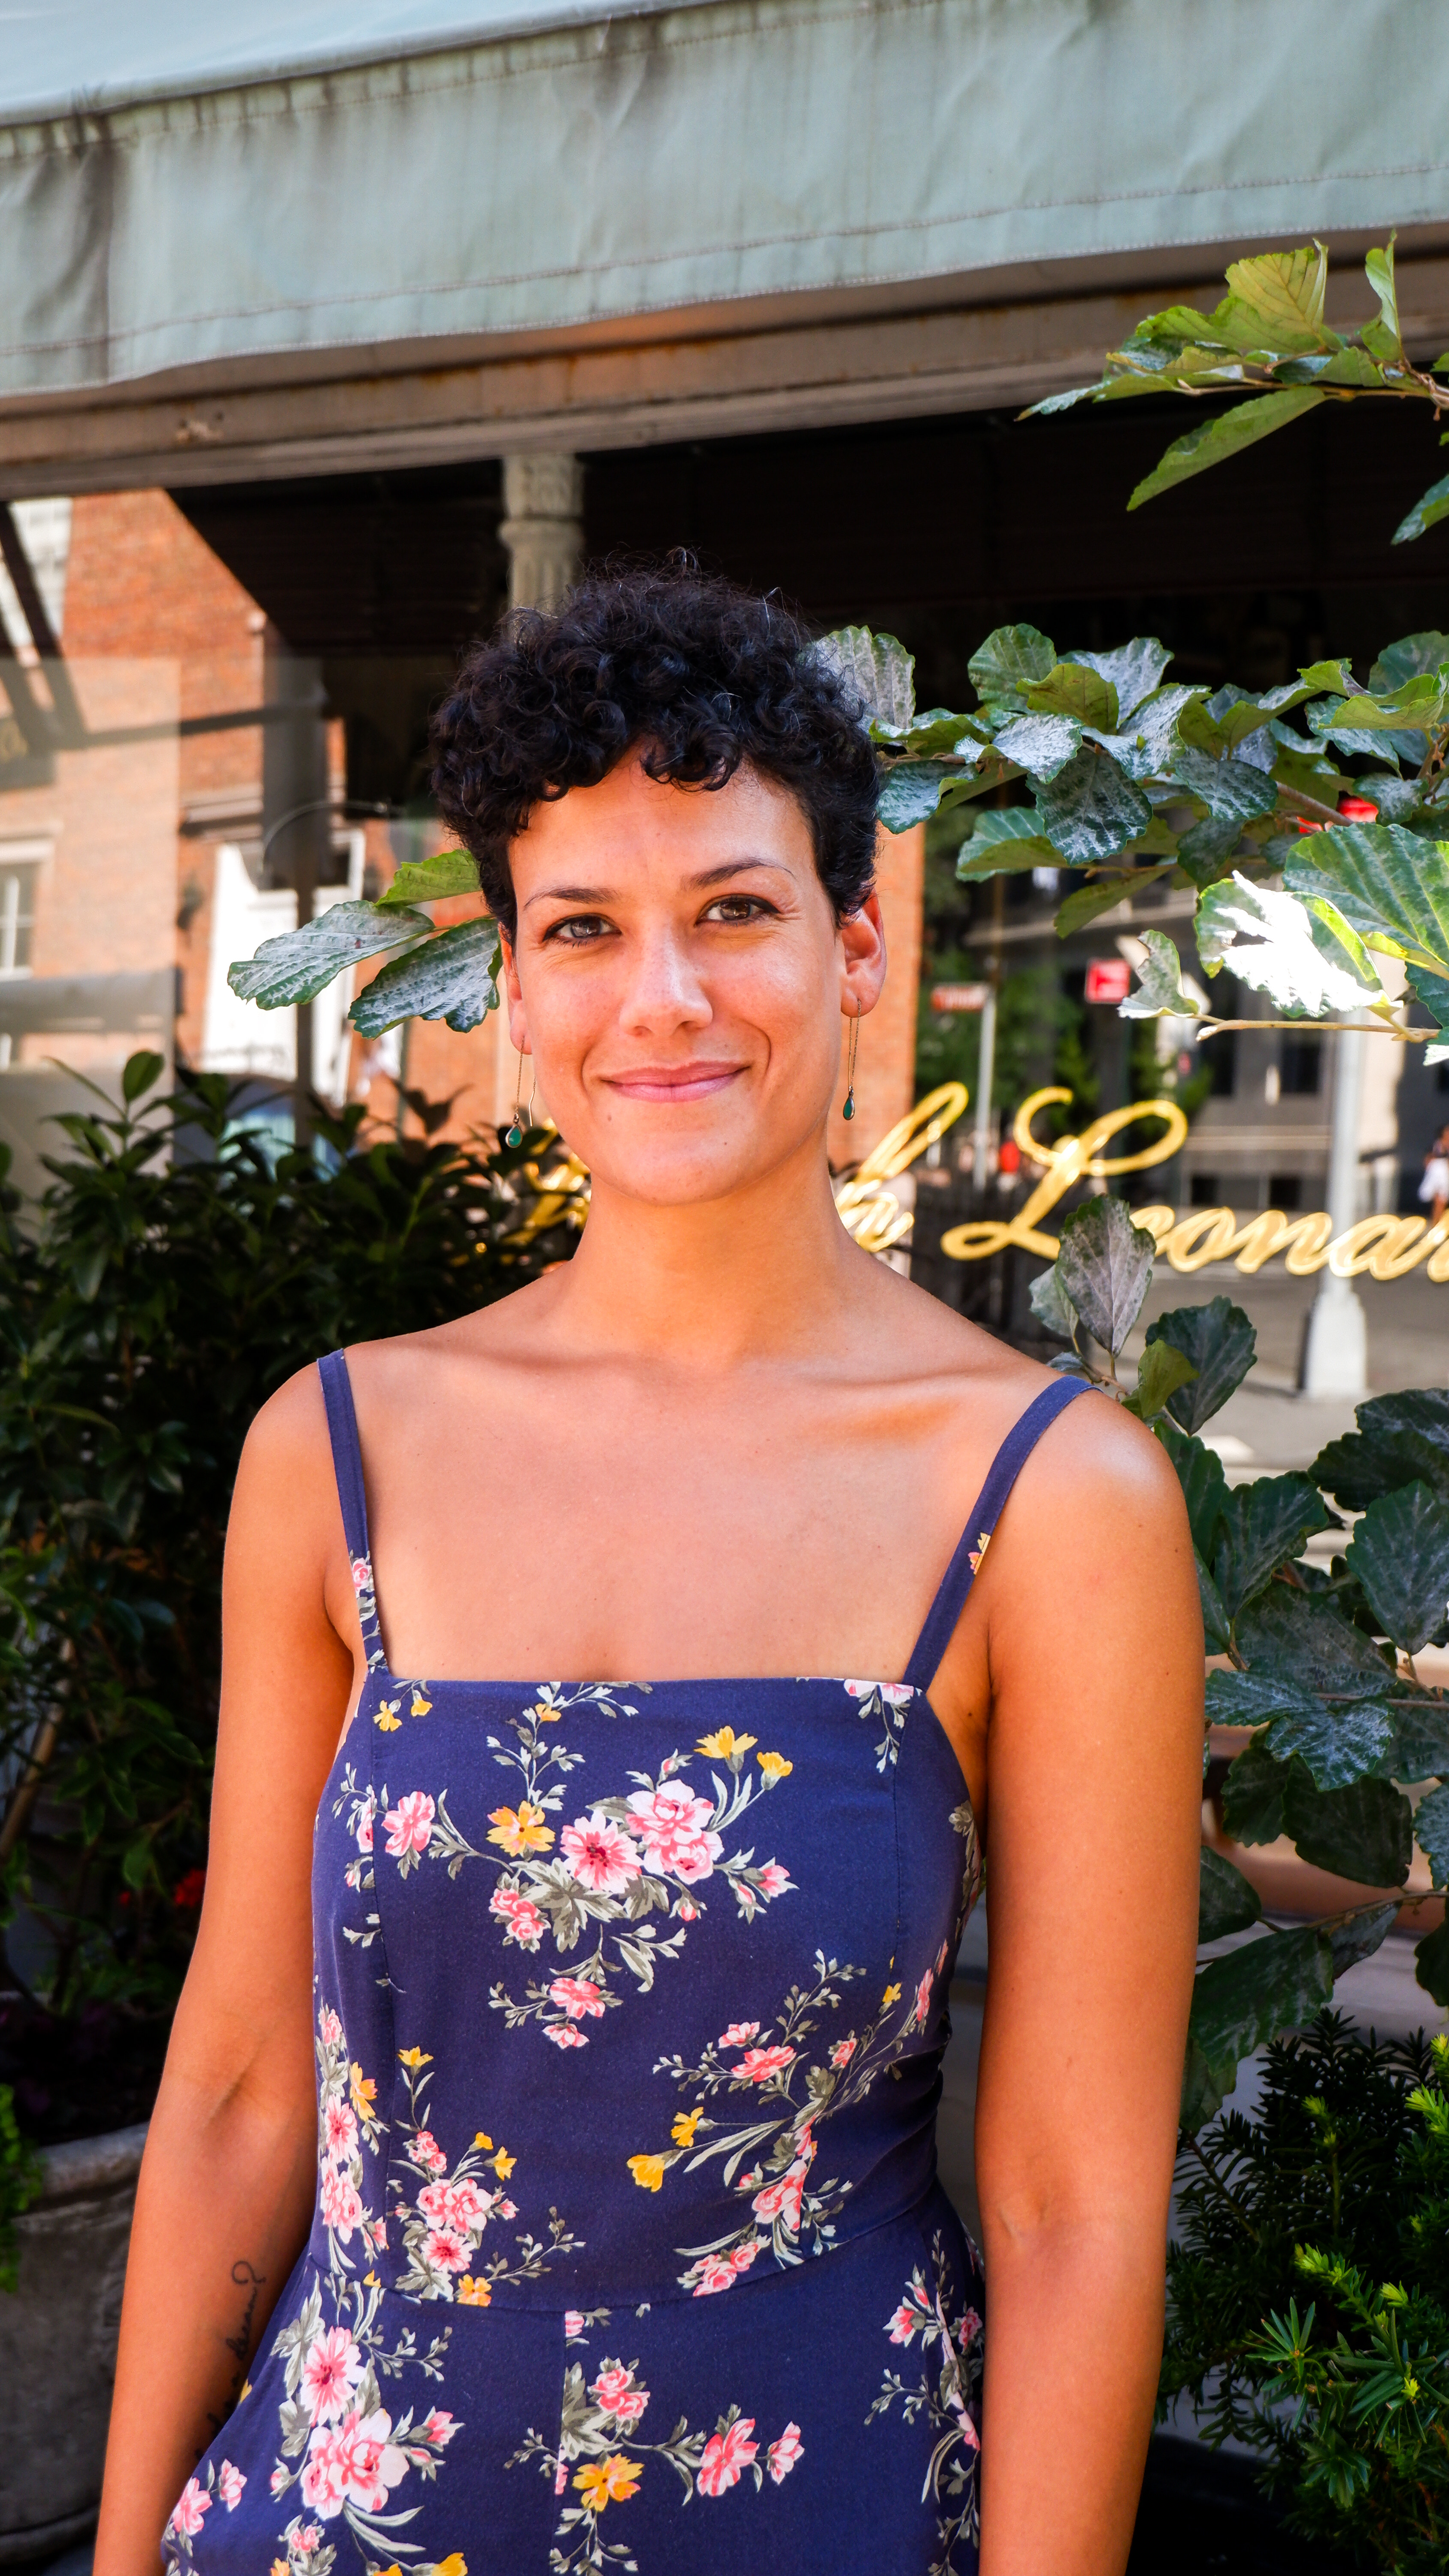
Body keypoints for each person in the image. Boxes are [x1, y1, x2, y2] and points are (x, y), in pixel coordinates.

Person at [95, 568, 1201, 2576]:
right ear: (513, 987)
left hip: (827, 2517)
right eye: (585, 929)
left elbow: (1069, 2206)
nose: (662, 999)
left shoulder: (1053, 1495)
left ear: (856, 946)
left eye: (735, 910)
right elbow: (248, 2084)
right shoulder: (333, 1454)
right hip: (332, 2522)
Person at [1420, 1127, 1449, 1225]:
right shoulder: (1437, 1145)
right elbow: (1428, 1158)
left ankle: (1439, 1224)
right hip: (1437, 1176)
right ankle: (1436, 1224)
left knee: (1442, 1200)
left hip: (1446, 1175)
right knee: (1439, 1200)